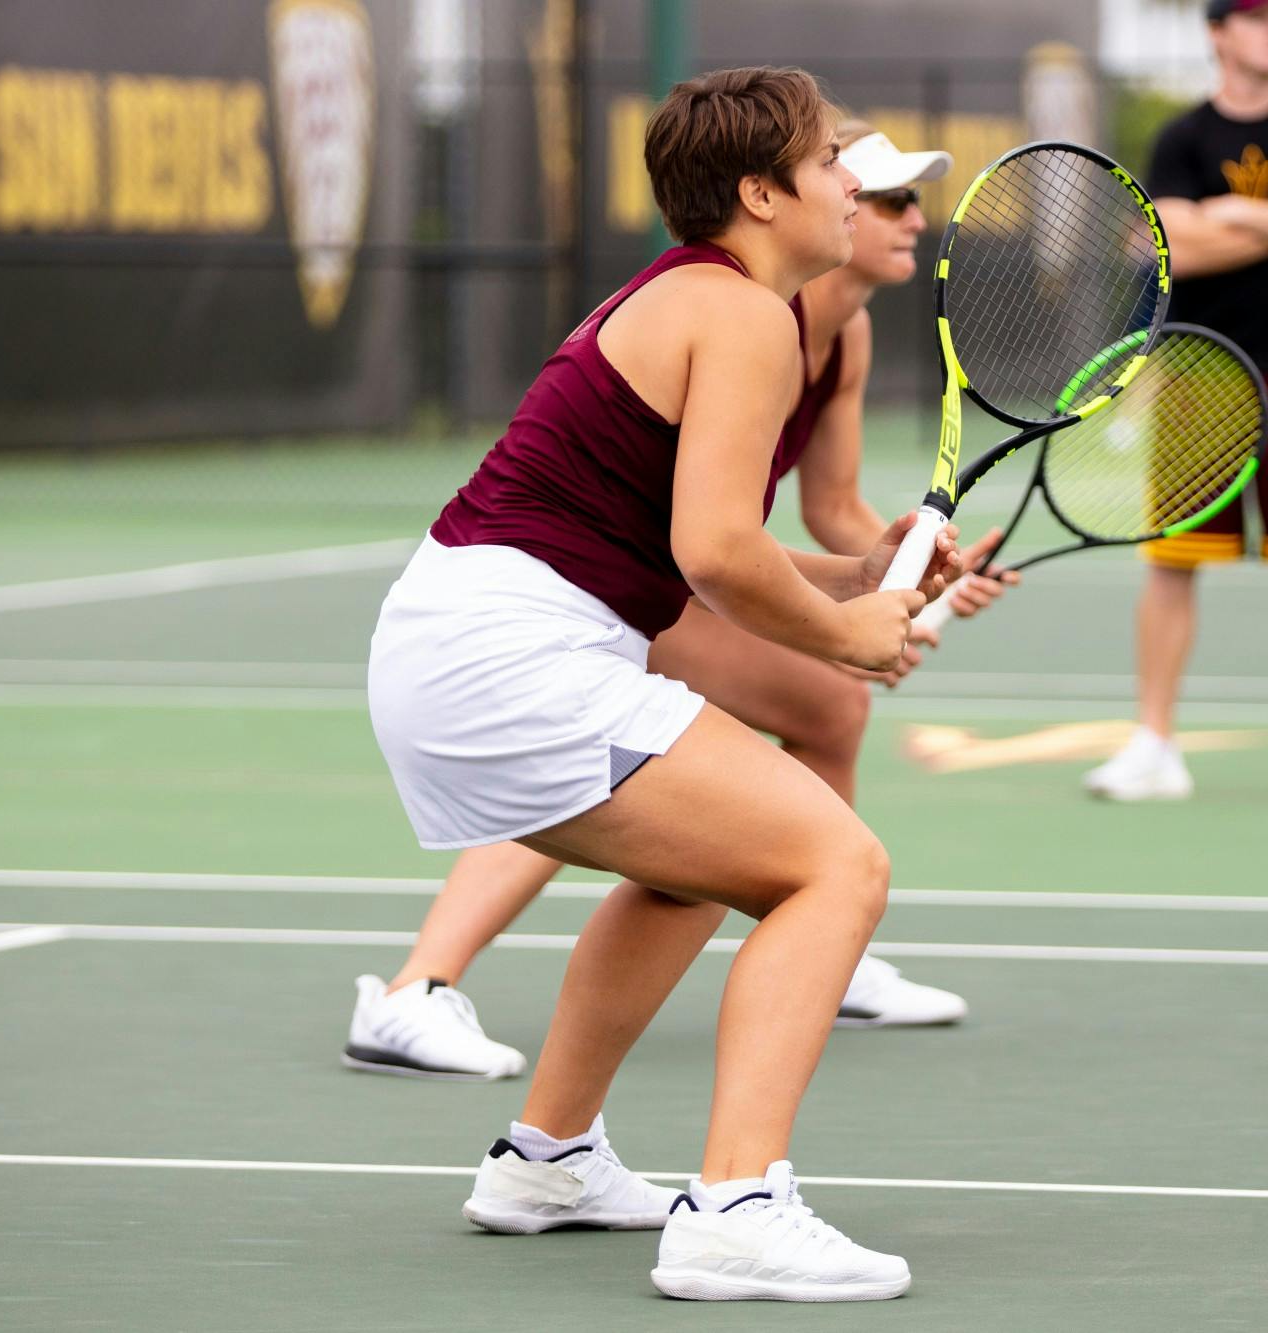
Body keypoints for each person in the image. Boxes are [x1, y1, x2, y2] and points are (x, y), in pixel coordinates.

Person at [367, 67, 960, 1301]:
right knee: (836, 864)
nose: (854, 181)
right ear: (760, 193)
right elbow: (715, 554)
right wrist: (847, 642)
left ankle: (545, 1157)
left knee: (700, 869)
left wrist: (854, 574)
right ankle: (737, 1203)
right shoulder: (743, 315)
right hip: (507, 657)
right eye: (828, 164)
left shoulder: (697, 299)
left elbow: (698, 539)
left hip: (458, 644)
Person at [1084, 0, 1268, 804]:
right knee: (1173, 567)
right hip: (1197, 374)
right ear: (1218, 33)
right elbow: (1169, 242)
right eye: (1255, 14)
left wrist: (1237, 213)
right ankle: (1153, 742)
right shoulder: (1182, 138)